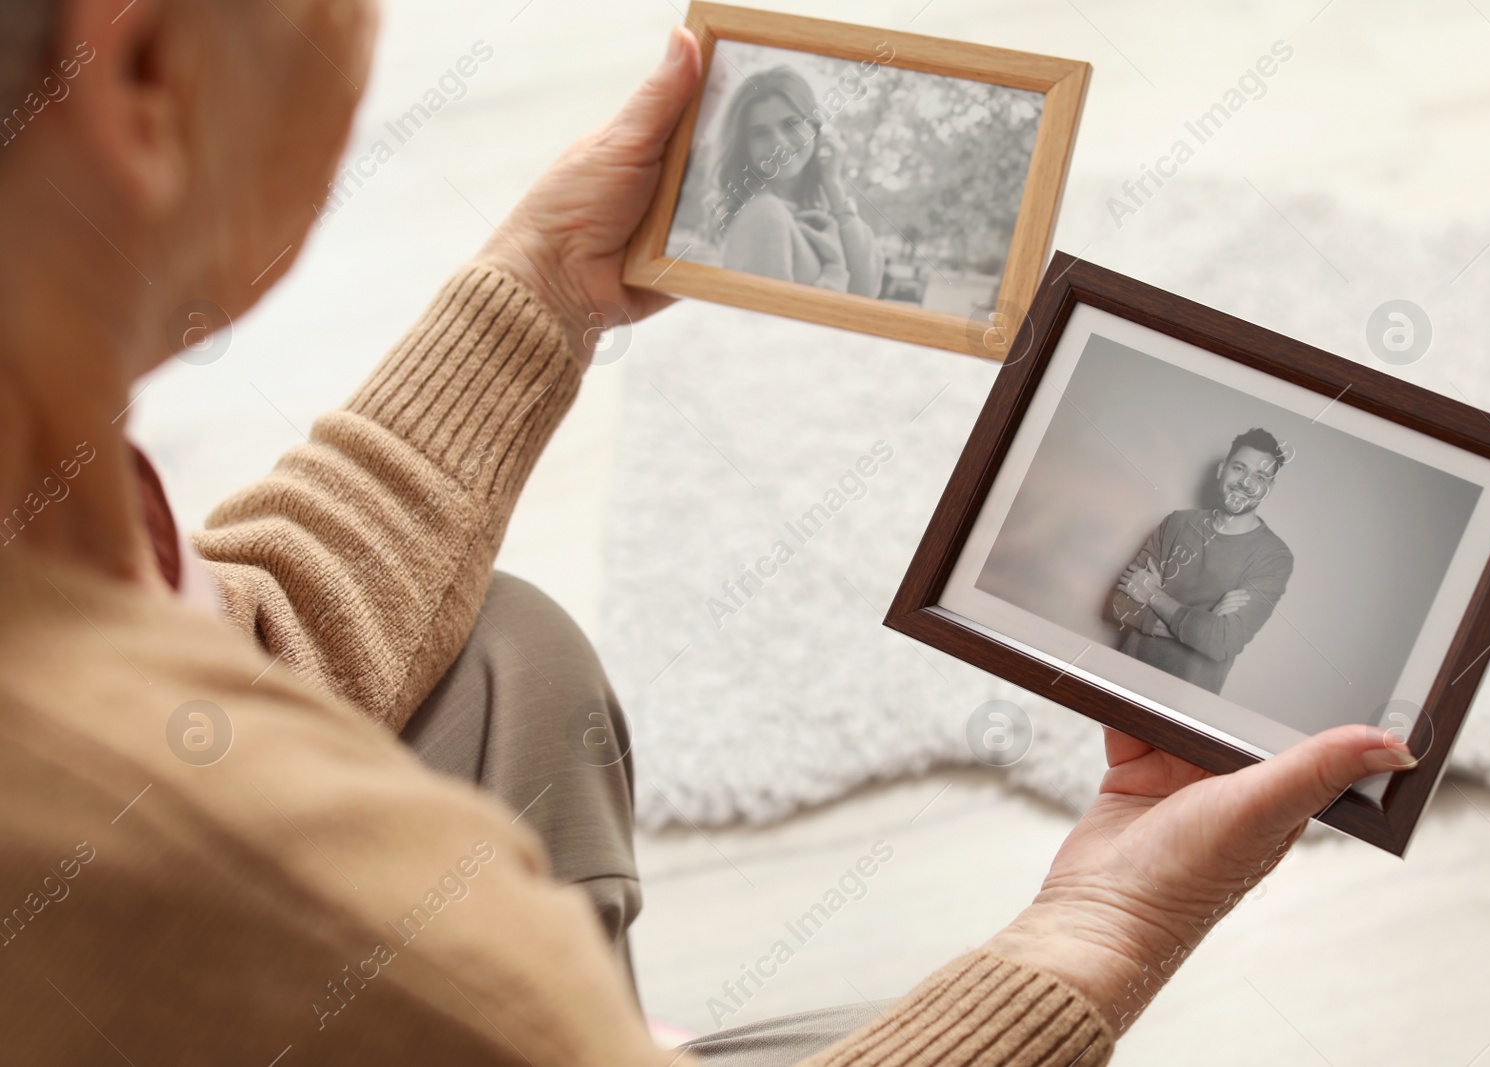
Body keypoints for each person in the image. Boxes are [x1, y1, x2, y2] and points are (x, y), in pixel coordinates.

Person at [0, 2, 1418, 1065]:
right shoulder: (297, 903)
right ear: (141, 73)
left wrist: (537, 292)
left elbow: (227, 649)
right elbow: (1152, 601)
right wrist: (1096, 936)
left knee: (505, 646)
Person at [1111, 428, 1295, 695]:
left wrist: (1154, 597)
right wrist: (1199, 627)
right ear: (1222, 470)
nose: (1246, 482)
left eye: (1260, 476)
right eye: (1240, 468)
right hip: (1122, 677)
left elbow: (1220, 642)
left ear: (1269, 488)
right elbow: (1120, 604)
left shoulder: (1273, 557)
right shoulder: (1177, 523)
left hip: (1187, 702)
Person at [707, 66, 884, 297]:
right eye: (760, 133)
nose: (779, 143)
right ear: (744, 147)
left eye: (791, 124)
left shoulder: (824, 204)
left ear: (814, 126)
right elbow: (773, 325)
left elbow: (868, 288)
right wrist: (835, 269)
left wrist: (833, 185)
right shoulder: (764, 212)